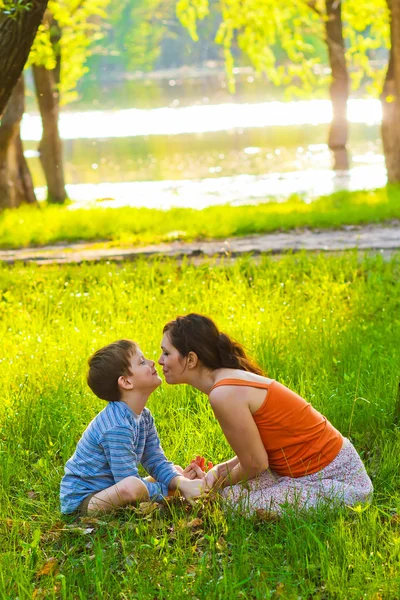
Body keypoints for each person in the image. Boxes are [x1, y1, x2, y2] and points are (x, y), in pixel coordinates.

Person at [158, 314, 373, 515]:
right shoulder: (225, 382)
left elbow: (256, 463)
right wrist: (218, 471)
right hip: (309, 469)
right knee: (225, 495)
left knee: (228, 504)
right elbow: (255, 454)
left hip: (339, 480)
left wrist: (213, 485)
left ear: (191, 359)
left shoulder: (223, 393)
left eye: (166, 353)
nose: (160, 361)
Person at [60, 339, 205, 516]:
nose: (153, 362)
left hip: (111, 487)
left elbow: (156, 461)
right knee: (134, 485)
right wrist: (171, 490)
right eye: (142, 361)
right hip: (85, 501)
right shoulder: (116, 426)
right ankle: (171, 493)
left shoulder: (144, 416)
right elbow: (127, 483)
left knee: (174, 471)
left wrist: (182, 482)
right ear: (126, 382)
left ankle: (179, 486)